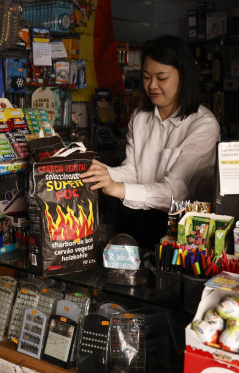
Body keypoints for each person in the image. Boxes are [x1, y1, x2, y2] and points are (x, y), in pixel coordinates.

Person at [81, 35, 220, 249]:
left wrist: (118, 188)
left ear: (183, 77)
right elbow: (134, 172)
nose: (152, 85)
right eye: (146, 77)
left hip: (183, 232)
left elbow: (177, 192)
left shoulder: (203, 126)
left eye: (161, 77)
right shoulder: (140, 117)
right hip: (137, 221)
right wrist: (103, 173)